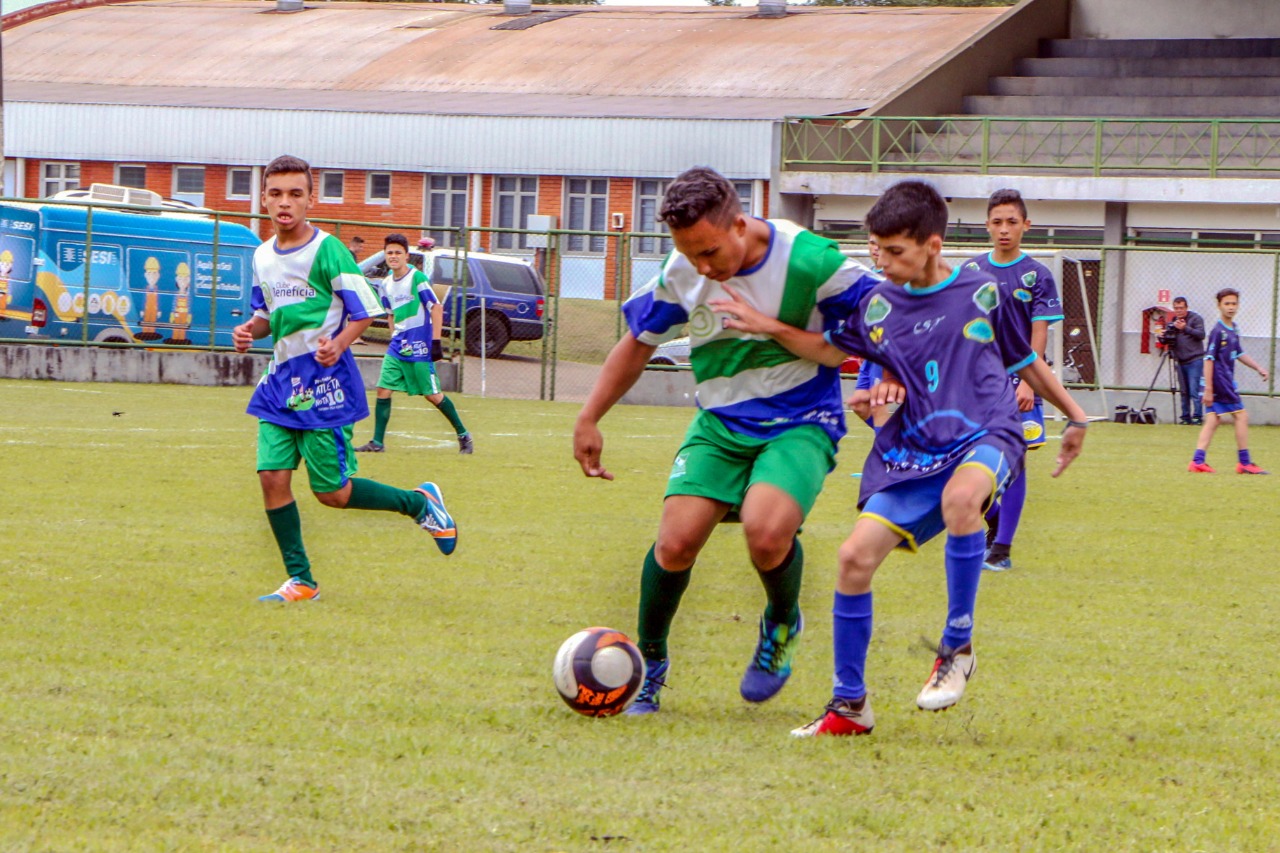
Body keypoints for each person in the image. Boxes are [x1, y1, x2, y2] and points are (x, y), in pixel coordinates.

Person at [709, 180, 1088, 737]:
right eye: (875, 251)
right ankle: (849, 706)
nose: (882, 263)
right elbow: (834, 352)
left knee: (964, 502)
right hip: (914, 446)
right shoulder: (877, 304)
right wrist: (780, 333)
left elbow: (1025, 359)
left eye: (895, 252)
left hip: (987, 428)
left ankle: (957, 648)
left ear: (932, 244)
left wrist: (1075, 416)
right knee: (853, 559)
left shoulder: (984, 290)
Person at [572, 166, 885, 715]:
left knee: (766, 534)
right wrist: (589, 417)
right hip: (719, 424)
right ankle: (648, 665)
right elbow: (637, 342)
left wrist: (886, 373)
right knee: (674, 543)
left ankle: (783, 622)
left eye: (710, 252)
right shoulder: (682, 270)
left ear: (740, 224)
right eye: (691, 255)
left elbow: (885, 322)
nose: (703, 268)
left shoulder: (812, 261)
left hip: (800, 419)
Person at [233, 155, 458, 603]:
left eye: (295, 194)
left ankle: (419, 503)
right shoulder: (260, 255)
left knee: (332, 494)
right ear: (263, 198)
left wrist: (338, 344)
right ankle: (302, 580)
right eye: (276, 193)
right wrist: (249, 330)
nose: (285, 203)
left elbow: (365, 311)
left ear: (310, 199)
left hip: (325, 387)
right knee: (271, 477)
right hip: (280, 384)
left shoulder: (327, 250)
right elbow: (265, 315)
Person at [969, 189, 1064, 573]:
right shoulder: (971, 272)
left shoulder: (1038, 275)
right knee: (969, 463)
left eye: (1012, 222)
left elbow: (1038, 331)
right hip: (977, 382)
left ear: (1026, 225)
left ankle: (1002, 549)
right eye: (997, 222)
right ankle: (991, 519)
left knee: (1016, 461)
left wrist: (1030, 382)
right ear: (987, 226)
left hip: (1020, 380)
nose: (1004, 229)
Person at [354, 233, 474, 455]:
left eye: (398, 252)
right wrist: (394, 336)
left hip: (420, 348)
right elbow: (390, 314)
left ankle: (463, 434)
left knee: (432, 395)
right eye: (389, 252)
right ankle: (377, 443)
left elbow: (435, 308)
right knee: (383, 389)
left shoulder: (417, 278)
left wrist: (436, 342)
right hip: (398, 347)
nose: (393, 256)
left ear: (407, 256)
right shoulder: (386, 283)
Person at [1188, 288, 1269, 474]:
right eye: (1227, 304)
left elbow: (1239, 353)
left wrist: (1258, 368)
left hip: (1221, 381)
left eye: (1234, 304)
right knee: (1241, 416)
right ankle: (1244, 463)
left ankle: (1197, 462)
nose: (1231, 307)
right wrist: (1208, 388)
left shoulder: (1234, 329)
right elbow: (1208, 359)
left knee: (1213, 421)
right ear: (1219, 306)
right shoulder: (1218, 331)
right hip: (1220, 381)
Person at [848, 237, 890, 431]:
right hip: (868, 354)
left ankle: (887, 456)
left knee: (876, 404)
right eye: (873, 243)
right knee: (859, 405)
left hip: (884, 352)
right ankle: (896, 444)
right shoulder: (868, 276)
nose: (876, 248)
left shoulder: (893, 277)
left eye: (881, 244)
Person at [1161, 296, 1207, 425]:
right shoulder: (1173, 321)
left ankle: (1197, 416)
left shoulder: (1195, 319)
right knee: (1184, 391)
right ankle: (1185, 417)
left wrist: (1185, 328)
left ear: (1186, 307)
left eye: (1181, 308)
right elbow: (1170, 339)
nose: (1179, 311)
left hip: (1194, 359)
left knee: (1194, 390)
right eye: (1176, 308)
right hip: (1180, 360)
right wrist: (1162, 337)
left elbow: (1201, 334)